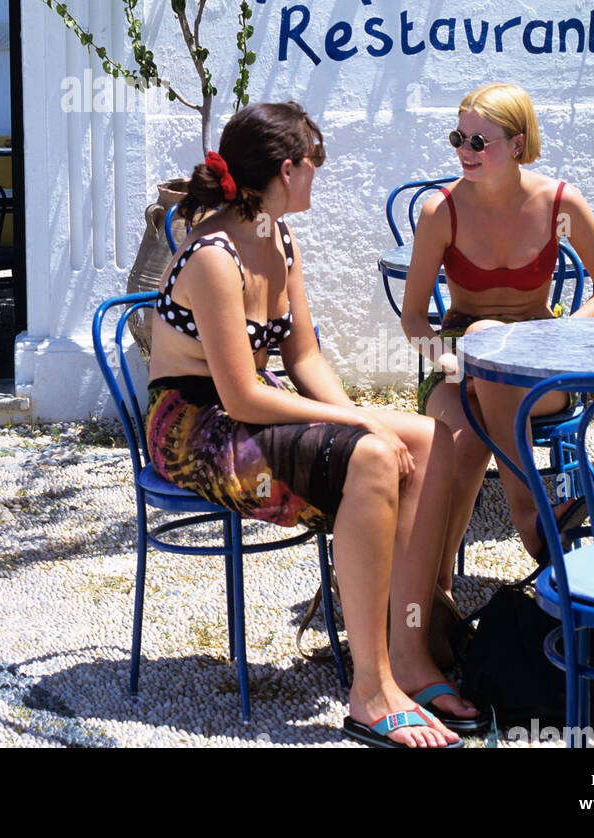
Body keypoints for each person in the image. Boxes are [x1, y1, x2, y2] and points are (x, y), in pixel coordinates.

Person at [147, 101, 485, 749]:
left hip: (253, 408)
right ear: (287, 169)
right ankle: (371, 689)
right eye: (312, 166)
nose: (315, 178)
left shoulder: (278, 236)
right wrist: (359, 430)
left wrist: (360, 416)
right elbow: (241, 396)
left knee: (428, 437)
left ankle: (411, 649)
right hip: (196, 428)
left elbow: (302, 358)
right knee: (374, 458)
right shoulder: (214, 256)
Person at [400, 82, 594, 584]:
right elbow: (414, 317)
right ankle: (527, 521)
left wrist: (562, 336)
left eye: (479, 142)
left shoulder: (558, 203)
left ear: (518, 144)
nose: (464, 151)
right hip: (460, 362)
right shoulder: (443, 211)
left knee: (479, 390)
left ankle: (429, 591)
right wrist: (445, 359)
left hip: (537, 360)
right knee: (462, 434)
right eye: (458, 137)